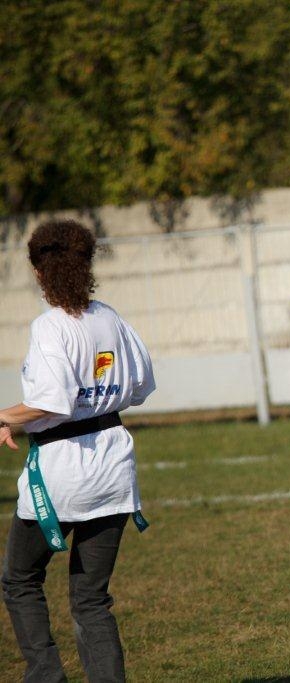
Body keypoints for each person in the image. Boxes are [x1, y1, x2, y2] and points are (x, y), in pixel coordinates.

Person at [1, 219, 156, 682]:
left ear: (37, 271)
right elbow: (143, 386)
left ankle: (46, 676)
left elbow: (52, 401)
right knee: (91, 599)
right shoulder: (109, 317)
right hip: (112, 465)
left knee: (20, 579)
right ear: (87, 264)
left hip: (62, 470)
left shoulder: (51, 326)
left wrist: (5, 416)